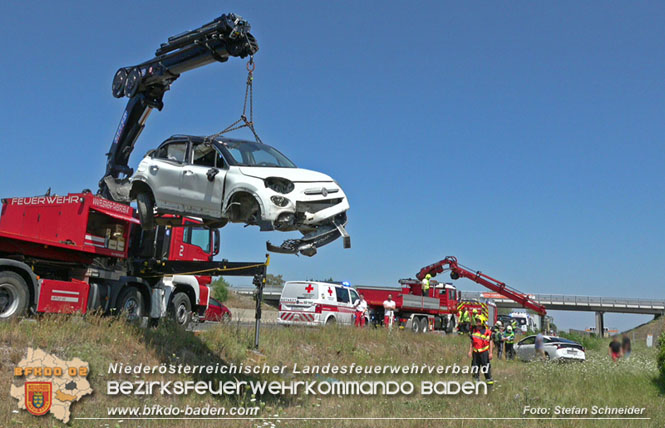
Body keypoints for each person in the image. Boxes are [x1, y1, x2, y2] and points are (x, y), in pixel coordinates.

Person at [468, 316, 494, 385]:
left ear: (482, 322)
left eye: (479, 321)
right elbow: (472, 342)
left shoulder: (487, 332)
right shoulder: (473, 330)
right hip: (475, 352)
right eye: (476, 321)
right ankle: (476, 381)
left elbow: (491, 342)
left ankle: (489, 380)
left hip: (484, 352)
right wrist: (470, 351)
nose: (477, 322)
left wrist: (490, 353)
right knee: (475, 366)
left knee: (485, 366)